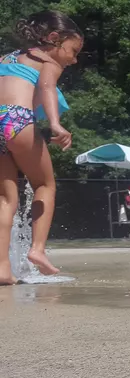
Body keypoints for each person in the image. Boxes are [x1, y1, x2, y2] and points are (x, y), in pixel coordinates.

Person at [0, 11, 81, 283]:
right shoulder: (46, 58)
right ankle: (38, 250)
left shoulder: (7, 58)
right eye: (72, 50)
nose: (74, 59)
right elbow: (46, 87)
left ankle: (2, 269)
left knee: (5, 199)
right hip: (18, 119)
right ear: (54, 38)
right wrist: (56, 125)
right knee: (45, 185)